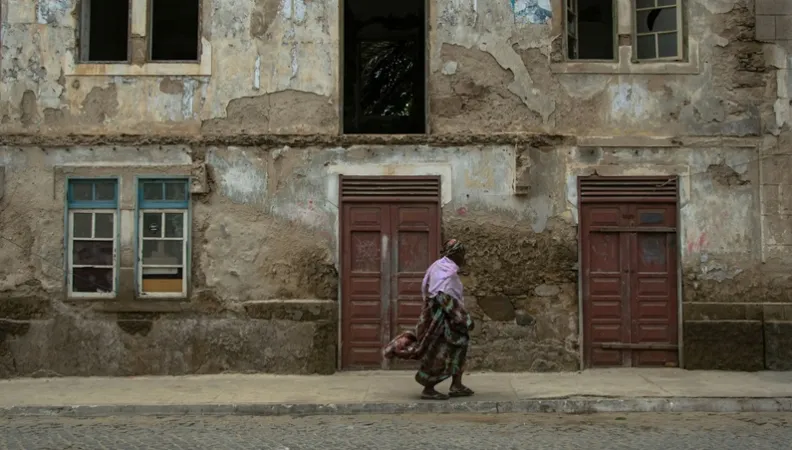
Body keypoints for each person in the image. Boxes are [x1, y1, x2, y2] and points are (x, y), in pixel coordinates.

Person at [383, 238, 475, 400]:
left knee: (459, 348)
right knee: (438, 352)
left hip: (446, 318)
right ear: (455, 254)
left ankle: (456, 385)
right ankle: (429, 388)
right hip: (442, 321)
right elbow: (445, 298)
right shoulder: (447, 273)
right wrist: (465, 319)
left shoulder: (439, 266)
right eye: (461, 254)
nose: (463, 258)